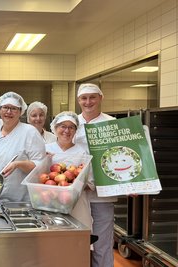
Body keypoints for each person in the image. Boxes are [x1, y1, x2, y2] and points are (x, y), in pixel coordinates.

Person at [74, 83, 116, 267]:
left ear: (101, 98)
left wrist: (134, 184)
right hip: (75, 194)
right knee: (75, 241)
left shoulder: (112, 123)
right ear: (78, 101)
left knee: (102, 243)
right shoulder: (71, 123)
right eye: (84, 98)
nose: (88, 102)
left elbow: (122, 155)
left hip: (102, 194)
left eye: (92, 97)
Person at [0, 92, 46, 202]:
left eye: (14, 108)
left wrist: (18, 164)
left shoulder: (29, 132)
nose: (9, 112)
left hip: (21, 201)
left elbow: (41, 165)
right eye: (5, 107)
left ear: (20, 112)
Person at [46, 111, 92, 229]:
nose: (67, 131)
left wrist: (73, 185)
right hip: (51, 201)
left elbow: (90, 181)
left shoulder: (82, 152)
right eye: (63, 126)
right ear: (55, 128)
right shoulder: (46, 149)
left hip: (77, 204)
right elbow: (38, 177)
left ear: (76, 131)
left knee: (77, 240)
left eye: (71, 127)